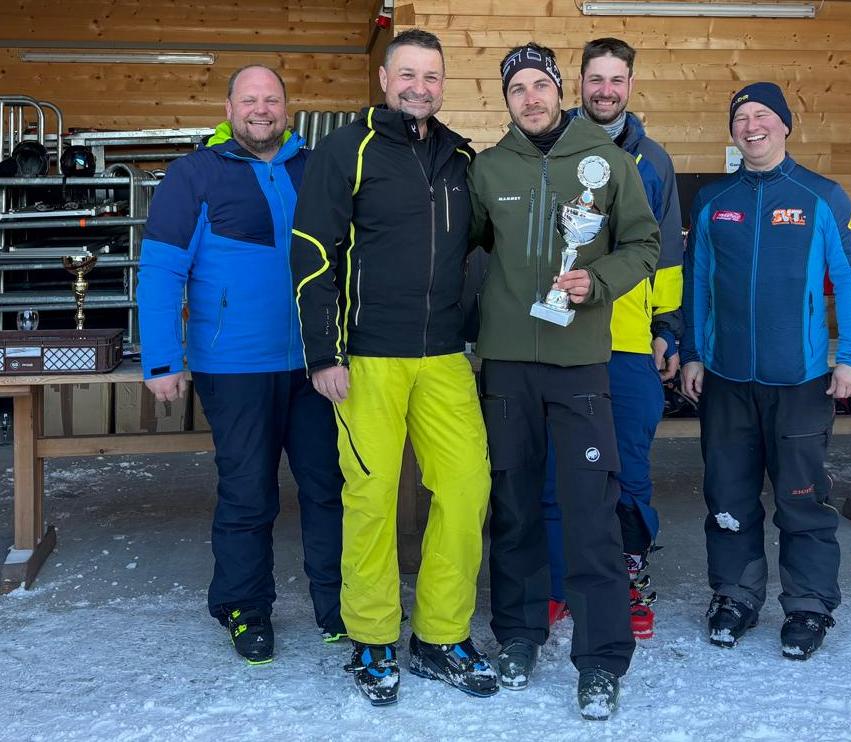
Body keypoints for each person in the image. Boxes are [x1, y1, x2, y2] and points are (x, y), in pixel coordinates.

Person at [290, 29, 495, 706]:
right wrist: (324, 353)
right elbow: (313, 254)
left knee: (465, 489)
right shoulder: (345, 151)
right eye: (407, 74)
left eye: (431, 76)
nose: (419, 87)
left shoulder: (460, 157)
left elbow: (483, 245)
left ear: (443, 85)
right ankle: (373, 637)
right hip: (368, 358)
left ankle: (441, 635)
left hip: (443, 357)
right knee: (371, 499)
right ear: (384, 80)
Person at [469, 42, 660, 720]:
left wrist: (597, 281)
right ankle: (518, 636)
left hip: (579, 360)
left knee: (589, 510)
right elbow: (467, 248)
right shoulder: (487, 168)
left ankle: (601, 658)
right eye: (517, 88)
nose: (531, 98)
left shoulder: (607, 162)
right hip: (507, 362)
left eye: (540, 85)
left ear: (560, 90)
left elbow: (645, 243)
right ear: (507, 100)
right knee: (515, 504)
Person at [137, 65, 345, 665]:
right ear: (228, 109)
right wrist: (161, 358)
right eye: (249, 99)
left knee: (328, 488)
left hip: (316, 363)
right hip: (234, 366)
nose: (261, 109)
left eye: (271, 99)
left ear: (288, 108)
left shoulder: (316, 169)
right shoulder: (194, 175)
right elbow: (161, 269)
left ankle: (340, 603)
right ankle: (244, 607)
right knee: (249, 493)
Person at [680, 82, 851, 660]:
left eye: (763, 115)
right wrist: (692, 352)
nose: (752, 126)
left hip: (801, 379)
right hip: (727, 378)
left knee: (802, 498)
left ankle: (808, 605)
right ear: (732, 131)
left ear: (785, 125)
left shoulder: (822, 196)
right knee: (728, 496)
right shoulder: (712, 200)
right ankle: (735, 596)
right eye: (742, 117)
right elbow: (697, 283)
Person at [541, 37, 683, 640]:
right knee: (556, 468)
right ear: (579, 83)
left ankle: (627, 577)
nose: (605, 90)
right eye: (595, 78)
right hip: (561, 337)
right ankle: (557, 583)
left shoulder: (654, 161)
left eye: (616, 79)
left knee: (628, 468)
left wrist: (667, 329)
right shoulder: (550, 147)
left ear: (630, 84)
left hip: (627, 340)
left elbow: (667, 255)